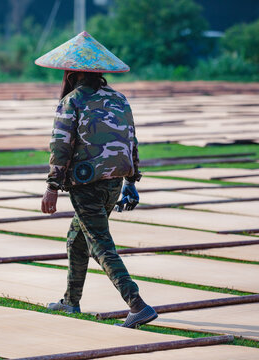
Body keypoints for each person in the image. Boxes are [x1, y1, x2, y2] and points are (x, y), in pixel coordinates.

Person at [36, 31, 157, 328]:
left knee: (100, 244)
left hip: (86, 185)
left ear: (71, 73)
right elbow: (131, 141)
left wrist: (52, 188)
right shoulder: (119, 98)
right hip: (115, 182)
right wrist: (131, 182)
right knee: (77, 238)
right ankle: (70, 301)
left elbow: (60, 147)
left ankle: (137, 304)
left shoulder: (72, 101)